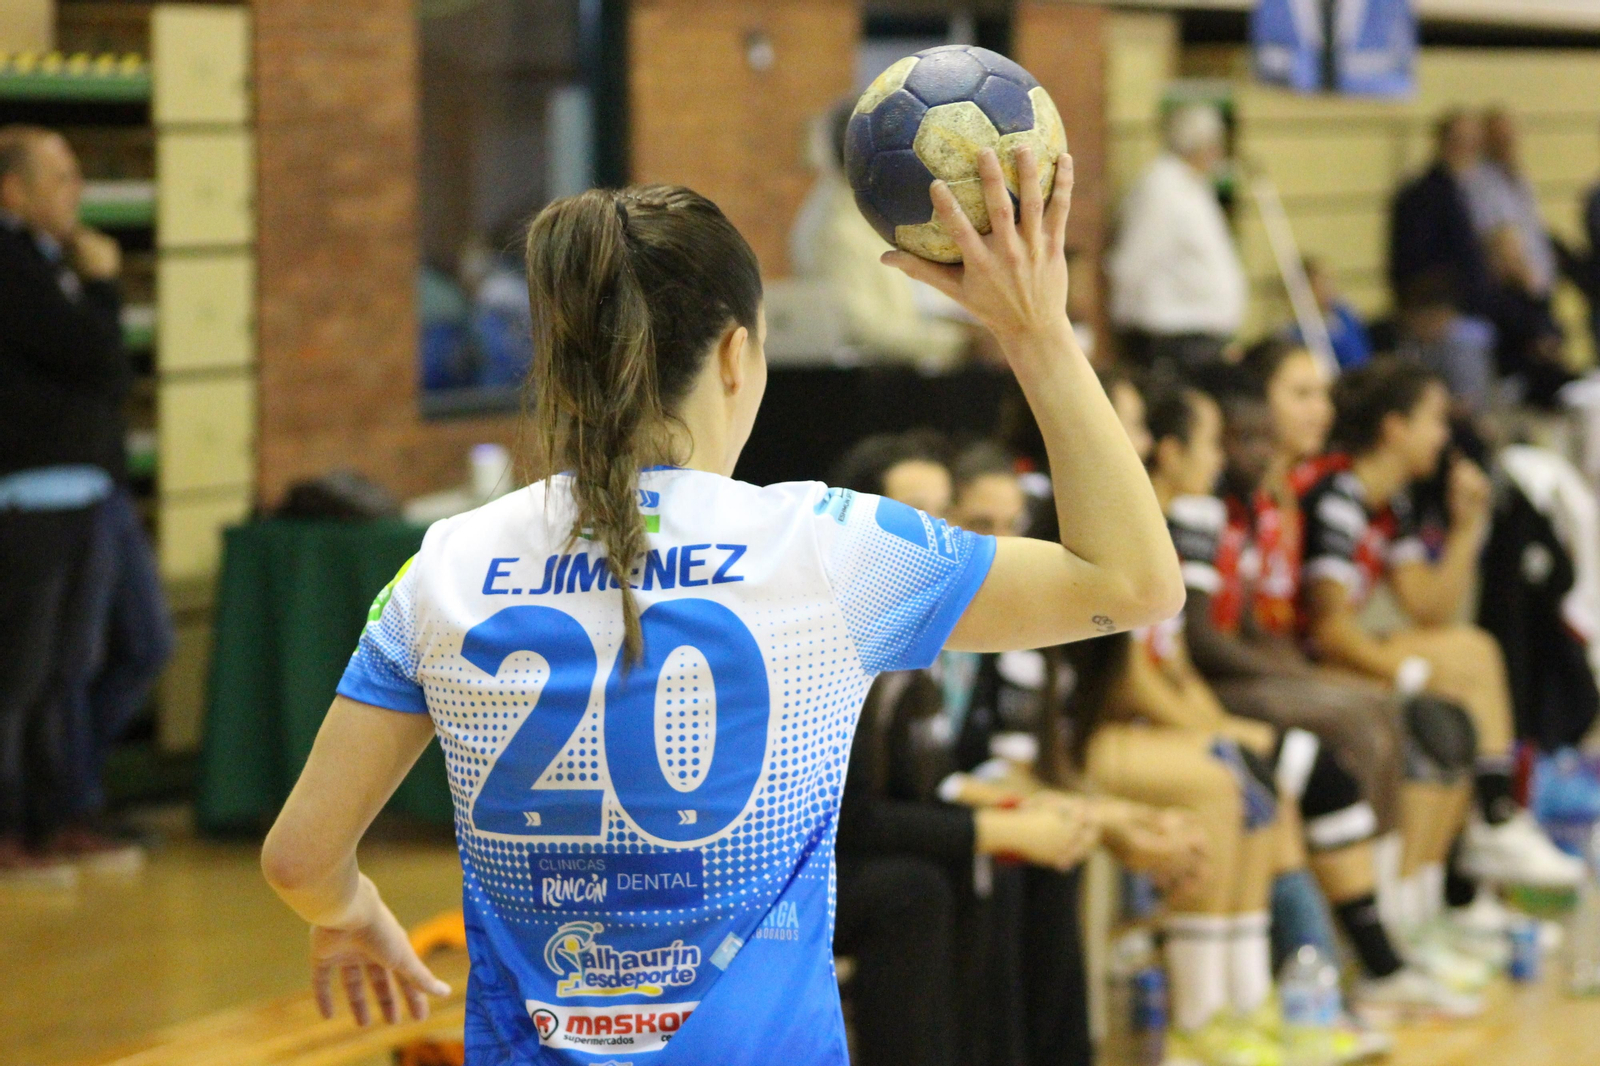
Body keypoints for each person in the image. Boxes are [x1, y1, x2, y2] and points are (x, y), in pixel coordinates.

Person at [260, 147, 1185, 1063]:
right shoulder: (827, 548)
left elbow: (299, 859)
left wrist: (350, 915)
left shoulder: (442, 566)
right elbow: (1135, 583)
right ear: (737, 356)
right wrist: (1037, 331)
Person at [1154, 378, 1479, 1021]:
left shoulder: (1252, 508)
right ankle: (1323, 976)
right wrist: (1221, 717)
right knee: (1297, 763)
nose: (1235, 457)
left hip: (1212, 688)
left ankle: (1390, 937)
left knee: (1406, 717)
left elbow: (1240, 630)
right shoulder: (1192, 516)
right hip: (1187, 700)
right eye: (1230, 441)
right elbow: (1167, 658)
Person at [1297, 359, 1584, 909]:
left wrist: (1467, 526)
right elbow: (1330, 629)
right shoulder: (1339, 497)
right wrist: (1407, 673)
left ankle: (1453, 878)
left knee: (1468, 658)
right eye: (1434, 419)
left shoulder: (1390, 502)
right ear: (1394, 428)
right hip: (1304, 659)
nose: (1445, 435)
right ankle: (1489, 825)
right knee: (1451, 685)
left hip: (1333, 651)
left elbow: (1430, 607)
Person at [0, 125, 150, 881]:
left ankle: (57, 815)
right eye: (58, 178)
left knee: (67, 669)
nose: (76, 193)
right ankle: (16, 825)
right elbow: (93, 358)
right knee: (20, 676)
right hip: (30, 497)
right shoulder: (12, 265)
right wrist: (100, 285)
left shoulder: (49, 261)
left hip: (85, 488)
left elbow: (105, 376)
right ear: (12, 190)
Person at [789, 99, 971, 369]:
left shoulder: (887, 204)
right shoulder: (836, 228)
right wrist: (961, 343)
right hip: (885, 386)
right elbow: (864, 328)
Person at [1108, 102, 1246, 376]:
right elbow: (1135, 258)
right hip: (1171, 336)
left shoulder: (1194, 186)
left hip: (1200, 334)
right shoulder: (1161, 187)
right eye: (1213, 144)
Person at [1388, 111, 1493, 322]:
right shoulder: (1422, 196)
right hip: (1442, 316)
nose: (1469, 151)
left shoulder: (1468, 190)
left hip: (1471, 309)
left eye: (1475, 144)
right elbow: (1414, 263)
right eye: (1462, 143)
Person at [1301, 257, 1371, 371]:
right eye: (1321, 283)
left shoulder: (1344, 313)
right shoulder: (1297, 328)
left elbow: (1361, 354)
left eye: (1329, 281)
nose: (1329, 288)